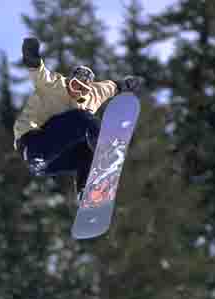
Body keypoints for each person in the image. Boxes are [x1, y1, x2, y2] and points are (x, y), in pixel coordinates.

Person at [13, 37, 143, 201]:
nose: (78, 92)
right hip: (33, 145)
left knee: (87, 152)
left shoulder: (93, 95)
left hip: (49, 163)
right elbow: (37, 70)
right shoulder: (53, 85)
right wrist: (31, 55)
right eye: (75, 85)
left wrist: (127, 85)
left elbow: (112, 87)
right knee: (82, 118)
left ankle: (86, 192)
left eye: (84, 90)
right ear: (69, 81)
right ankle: (103, 149)